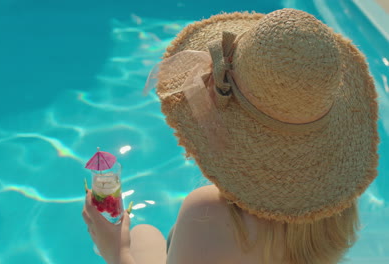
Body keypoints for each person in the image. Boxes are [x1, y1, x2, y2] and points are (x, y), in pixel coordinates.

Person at [82, 8, 379, 264]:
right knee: (148, 236)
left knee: (139, 238)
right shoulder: (333, 212)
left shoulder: (207, 213)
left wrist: (116, 252)